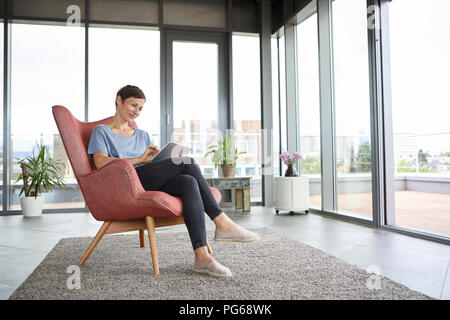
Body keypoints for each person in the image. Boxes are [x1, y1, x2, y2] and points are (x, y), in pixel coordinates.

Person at [87, 85, 259, 278]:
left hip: (147, 180)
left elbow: (149, 165)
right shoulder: (101, 132)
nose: (136, 112)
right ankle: (222, 222)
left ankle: (202, 256)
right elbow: (101, 162)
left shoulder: (142, 135)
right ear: (119, 100)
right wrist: (140, 159)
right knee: (186, 162)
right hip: (126, 184)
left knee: (188, 182)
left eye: (141, 108)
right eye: (133, 105)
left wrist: (159, 160)